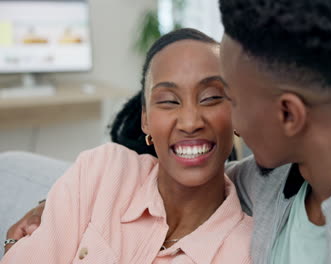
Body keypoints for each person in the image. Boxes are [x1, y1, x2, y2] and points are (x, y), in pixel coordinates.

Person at [6, 0, 331, 263]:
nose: (230, 125)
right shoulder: (280, 179)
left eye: (230, 100)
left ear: (289, 115)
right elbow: (194, 177)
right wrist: (60, 197)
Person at [1, 28, 253, 263]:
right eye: (168, 101)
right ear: (146, 120)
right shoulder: (103, 170)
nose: (190, 122)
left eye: (210, 98)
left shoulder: (247, 250)